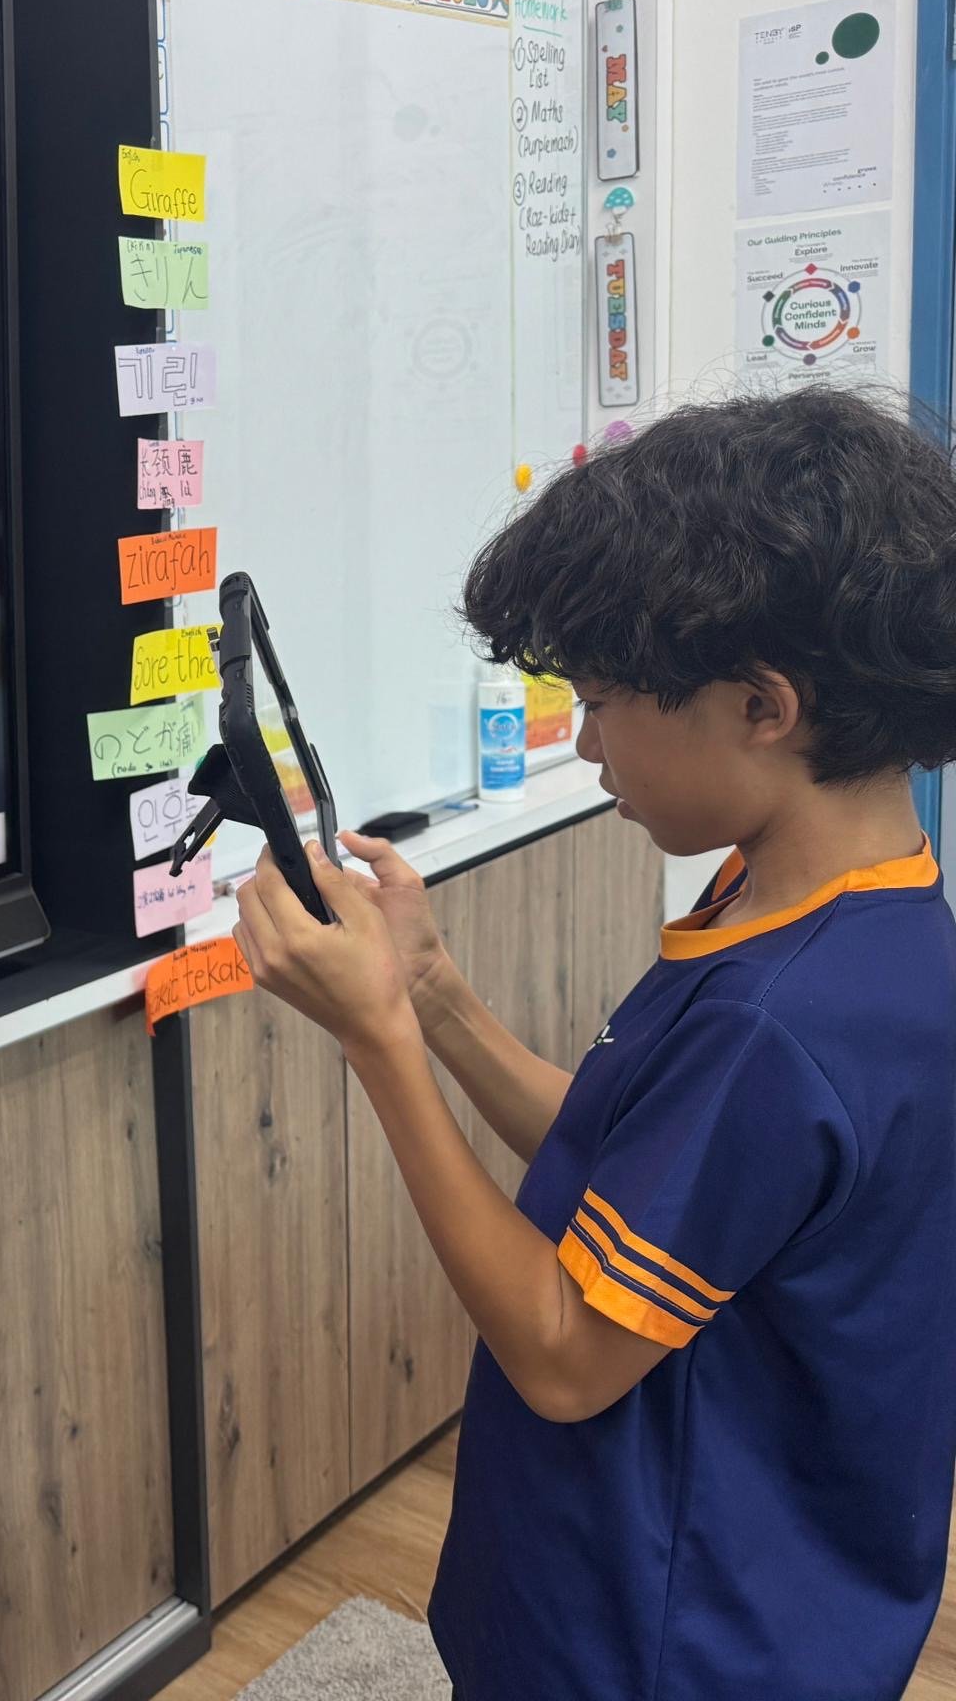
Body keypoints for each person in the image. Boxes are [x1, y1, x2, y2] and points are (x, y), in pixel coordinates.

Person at [229, 387, 956, 1701]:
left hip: (667, 1636)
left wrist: (380, 1041)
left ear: (761, 706)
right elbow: (638, 1166)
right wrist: (437, 995)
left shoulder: (781, 1023)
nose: (584, 738)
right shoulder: (844, 915)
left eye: (604, 699)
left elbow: (565, 1355)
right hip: (759, 1582)